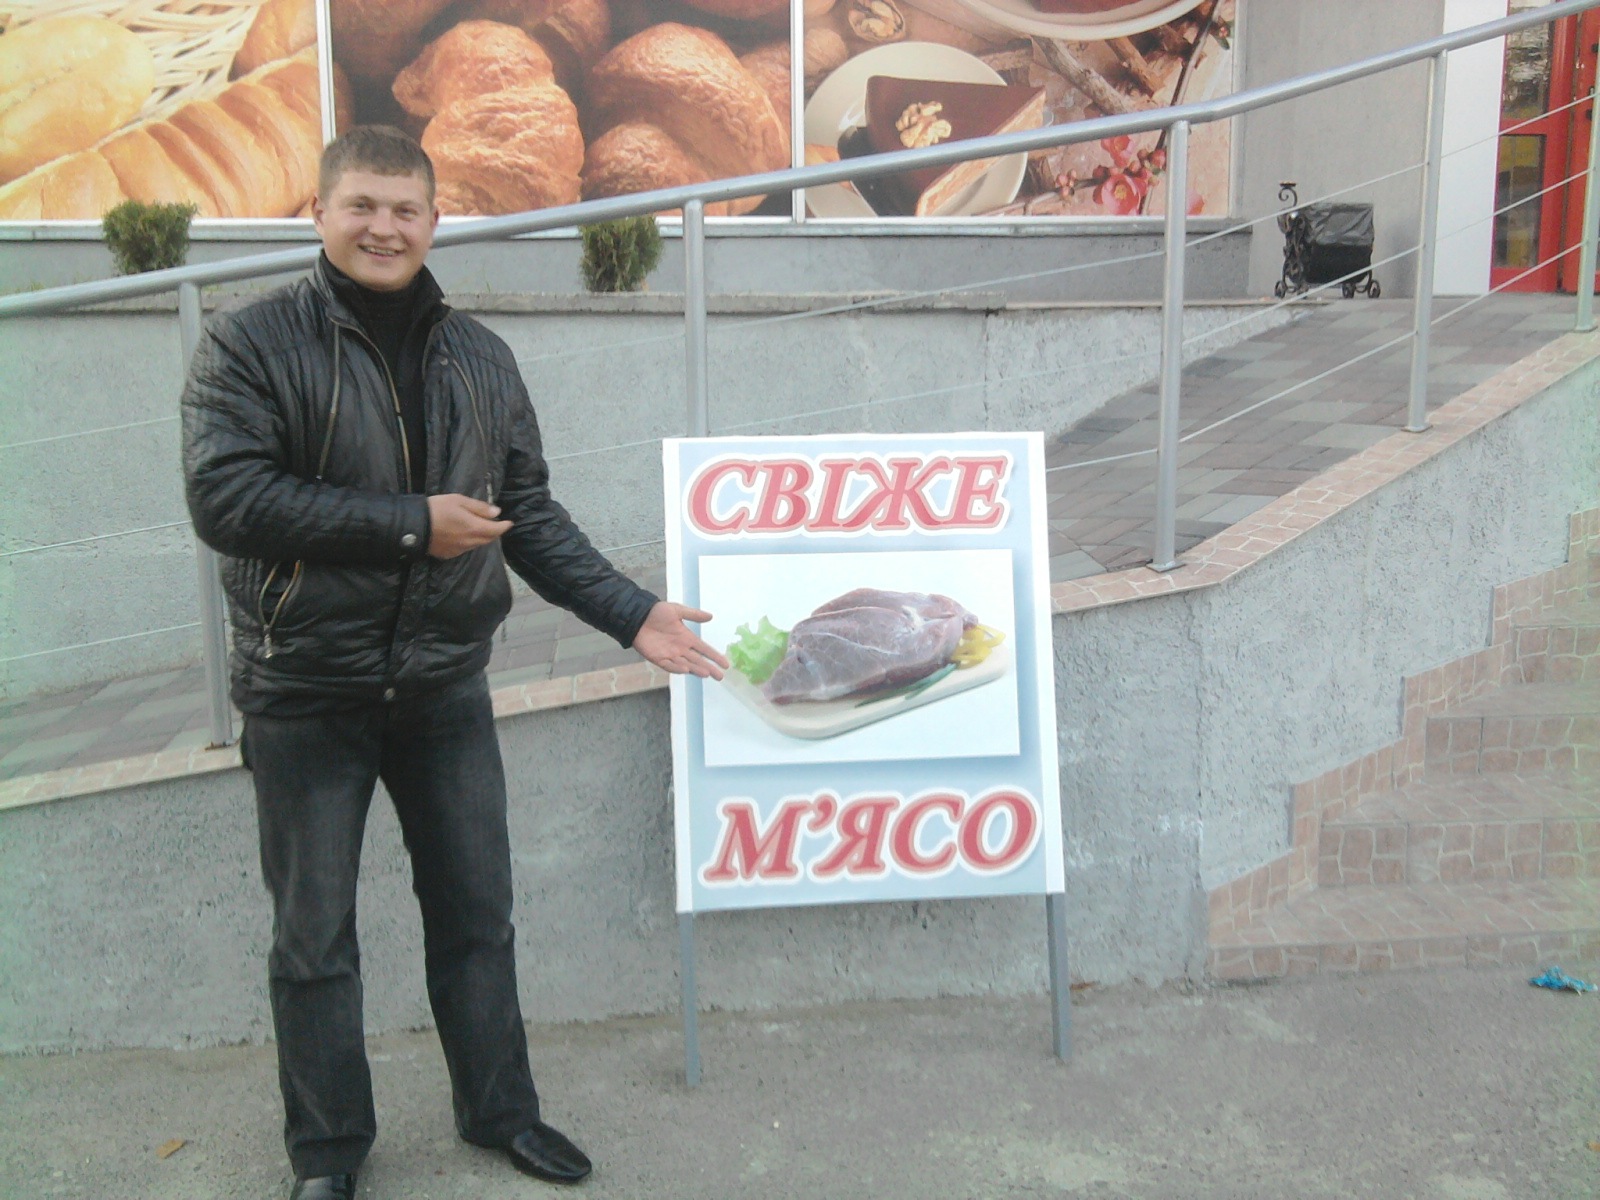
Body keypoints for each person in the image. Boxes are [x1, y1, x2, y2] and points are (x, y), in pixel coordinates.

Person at [181, 125, 728, 1200]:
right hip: (305, 690)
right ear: (318, 214)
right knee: (313, 938)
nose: (383, 228)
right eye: (361, 206)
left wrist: (632, 614)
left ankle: (499, 1112)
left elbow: (525, 514)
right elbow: (226, 499)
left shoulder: (480, 357)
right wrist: (408, 524)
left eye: (404, 210)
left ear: (435, 223)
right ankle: (328, 1155)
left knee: (477, 916)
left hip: (441, 687)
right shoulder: (248, 345)